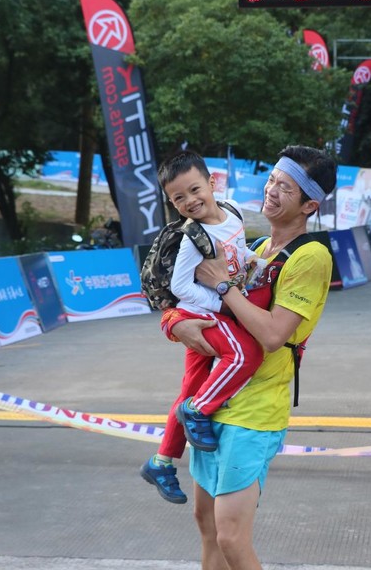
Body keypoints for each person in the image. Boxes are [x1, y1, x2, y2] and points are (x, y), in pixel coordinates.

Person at [165, 145, 337, 570]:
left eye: (286, 188)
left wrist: (225, 286)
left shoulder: (311, 257)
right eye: (272, 180)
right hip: (212, 404)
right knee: (206, 523)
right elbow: (196, 304)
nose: (272, 191)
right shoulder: (256, 246)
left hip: (255, 412)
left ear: (310, 205)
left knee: (231, 536)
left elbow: (274, 335)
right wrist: (172, 322)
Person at [140, 151, 264, 505]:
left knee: (191, 387)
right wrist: (222, 303)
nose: (190, 201)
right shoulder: (193, 238)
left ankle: (161, 462)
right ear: (171, 203)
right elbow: (180, 287)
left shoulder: (233, 210)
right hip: (202, 314)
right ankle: (200, 410)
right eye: (179, 198)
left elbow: (237, 251)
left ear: (212, 183)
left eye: (195, 190)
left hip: (214, 308)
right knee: (244, 354)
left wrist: (253, 262)